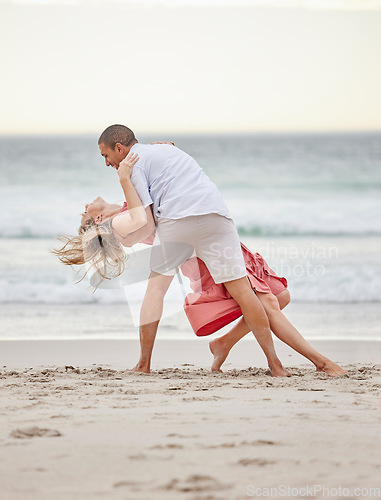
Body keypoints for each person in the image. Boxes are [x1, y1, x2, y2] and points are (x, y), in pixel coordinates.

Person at [95, 124, 347, 377]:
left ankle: (144, 364)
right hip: (216, 216)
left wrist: (122, 233)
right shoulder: (168, 151)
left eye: (106, 155)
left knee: (155, 291)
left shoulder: (132, 164)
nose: (107, 162)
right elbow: (168, 159)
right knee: (245, 295)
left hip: (177, 220)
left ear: (120, 148)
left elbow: (146, 221)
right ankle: (276, 365)